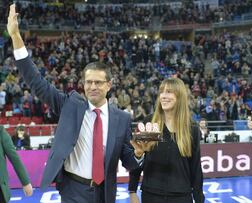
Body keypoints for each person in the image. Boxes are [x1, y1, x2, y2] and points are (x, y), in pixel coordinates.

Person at [7, 4, 146, 203]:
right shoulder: (70, 105)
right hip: (73, 190)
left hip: (105, 193)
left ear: (109, 85)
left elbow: (129, 161)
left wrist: (139, 153)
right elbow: (36, 82)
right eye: (88, 82)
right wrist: (15, 36)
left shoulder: (122, 119)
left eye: (98, 82)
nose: (92, 86)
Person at [128, 78, 205, 203]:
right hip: (151, 195)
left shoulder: (192, 128)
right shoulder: (149, 123)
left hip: (182, 196)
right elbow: (137, 157)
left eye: (169, 92)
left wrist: (199, 199)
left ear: (179, 96)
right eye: (162, 92)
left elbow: (196, 169)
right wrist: (132, 191)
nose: (163, 96)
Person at [0, 125, 33, 202]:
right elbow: (14, 157)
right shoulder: (12, 136)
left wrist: (26, 182)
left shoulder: (1, 131)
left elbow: (14, 157)